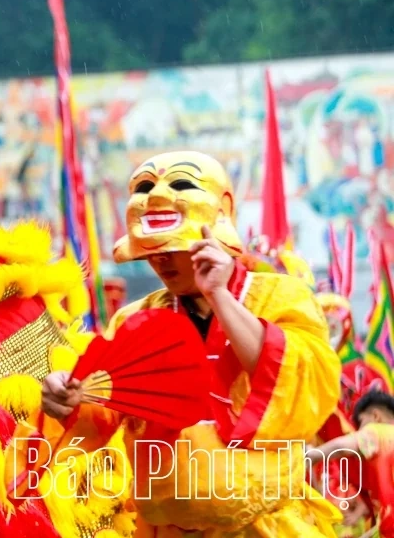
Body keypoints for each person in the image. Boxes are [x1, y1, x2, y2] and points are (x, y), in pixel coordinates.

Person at [41, 151, 342, 537]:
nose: (163, 263)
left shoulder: (282, 296)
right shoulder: (134, 320)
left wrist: (219, 295)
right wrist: (69, 400)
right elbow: (103, 414)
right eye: (155, 252)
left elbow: (301, 384)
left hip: (268, 526)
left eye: (174, 248)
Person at [309, 390, 394, 536]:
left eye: (361, 423)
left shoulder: (378, 431)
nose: (359, 430)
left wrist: (309, 455)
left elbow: (343, 447)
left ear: (376, 416)